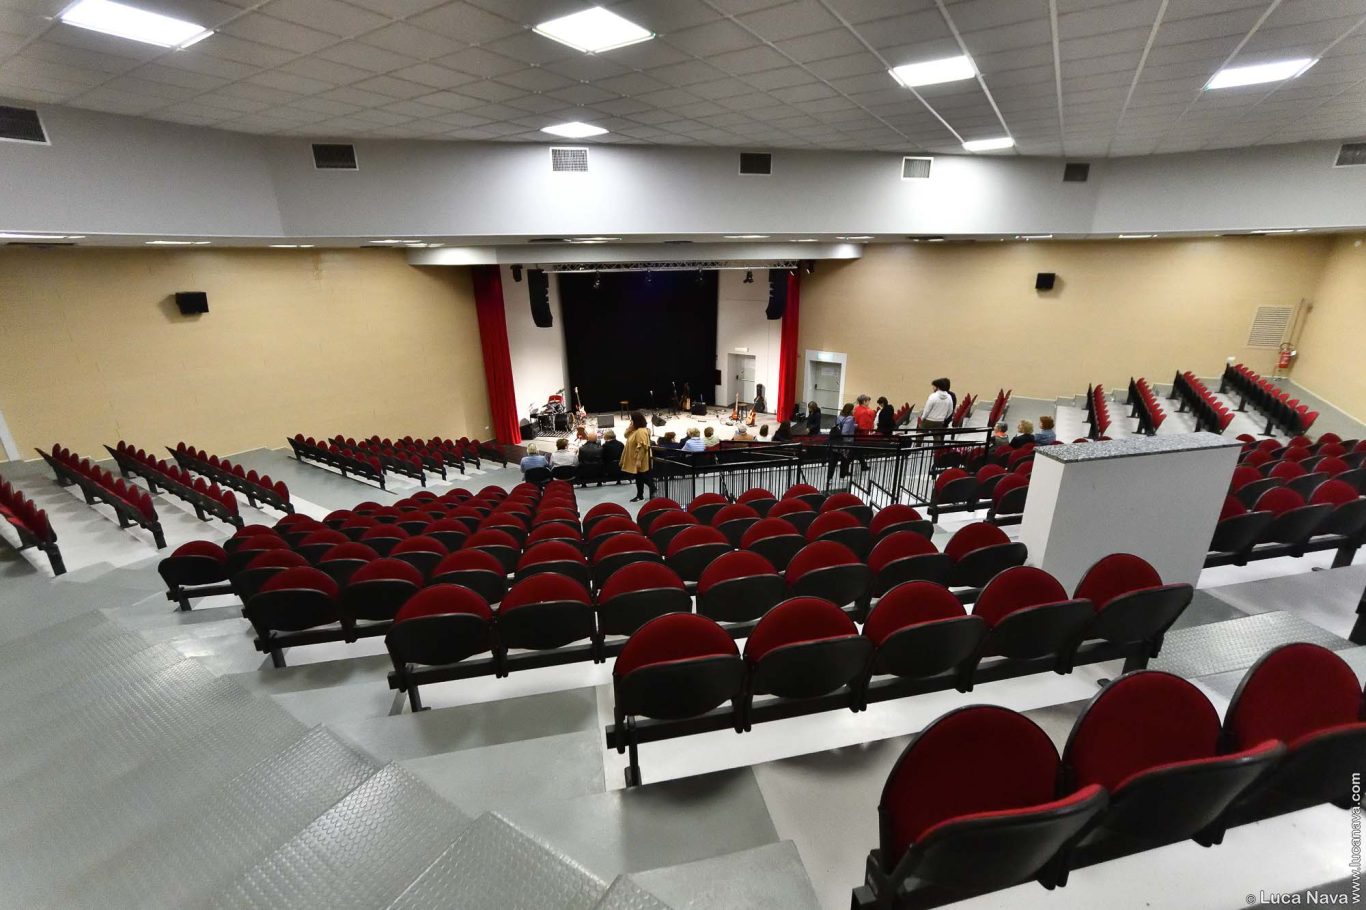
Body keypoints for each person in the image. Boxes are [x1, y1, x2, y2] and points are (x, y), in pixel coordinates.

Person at [620, 412, 655, 502]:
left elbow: (643, 447)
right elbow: (625, 435)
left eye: (631, 420)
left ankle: (653, 489)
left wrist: (639, 460)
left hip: (640, 459)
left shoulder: (641, 431)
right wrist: (629, 428)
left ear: (636, 420)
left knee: (643, 476)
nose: (630, 422)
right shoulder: (634, 430)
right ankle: (640, 495)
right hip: (635, 459)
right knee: (639, 477)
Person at [826, 403, 858, 482]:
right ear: (850, 410)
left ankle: (829, 479)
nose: (854, 410)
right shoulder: (850, 418)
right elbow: (845, 432)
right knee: (844, 461)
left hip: (836, 442)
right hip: (845, 443)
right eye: (853, 409)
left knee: (833, 461)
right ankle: (842, 477)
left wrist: (854, 426)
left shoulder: (839, 416)